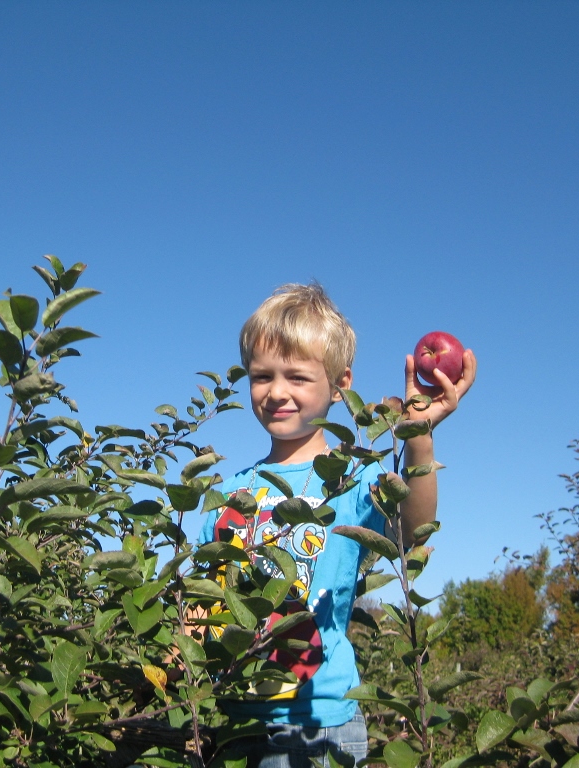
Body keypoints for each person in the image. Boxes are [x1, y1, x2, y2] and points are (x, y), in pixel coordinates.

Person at [198, 283, 476, 766]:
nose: (276, 392)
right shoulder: (229, 493)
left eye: (298, 377)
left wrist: (419, 440)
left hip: (315, 723)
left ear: (340, 383)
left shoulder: (354, 478)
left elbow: (412, 530)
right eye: (261, 376)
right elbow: (203, 597)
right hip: (230, 717)